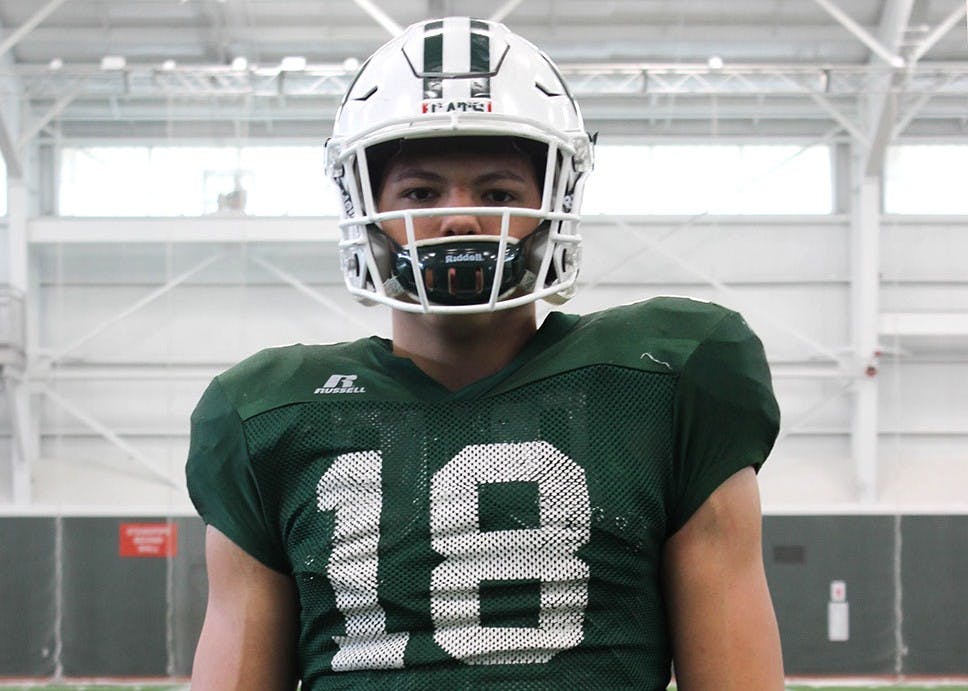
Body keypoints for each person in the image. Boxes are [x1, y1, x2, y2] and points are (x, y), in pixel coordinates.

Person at [186, 16, 785, 691]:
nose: (459, 218)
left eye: (498, 192)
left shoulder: (663, 380)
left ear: (553, 202)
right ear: (364, 206)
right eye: (420, 191)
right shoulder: (270, 413)